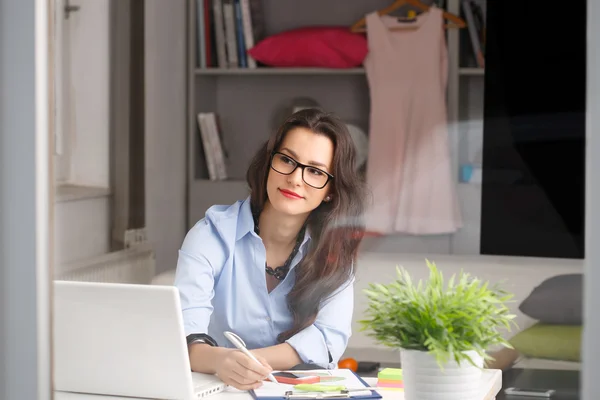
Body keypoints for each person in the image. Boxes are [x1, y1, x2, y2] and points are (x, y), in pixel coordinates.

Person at [174, 108, 367, 391]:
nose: (295, 178)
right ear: (270, 162)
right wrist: (219, 361)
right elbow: (184, 333)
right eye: (287, 160)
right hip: (221, 392)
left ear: (331, 190)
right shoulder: (210, 235)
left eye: (314, 171)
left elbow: (328, 337)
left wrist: (244, 361)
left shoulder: (335, 250)